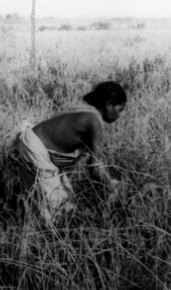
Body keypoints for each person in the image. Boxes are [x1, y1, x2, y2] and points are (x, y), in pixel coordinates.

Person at [9, 81, 127, 222]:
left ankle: (37, 231)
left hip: (32, 146)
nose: (119, 116)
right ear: (109, 104)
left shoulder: (83, 110)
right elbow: (95, 169)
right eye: (119, 110)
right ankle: (43, 237)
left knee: (63, 203)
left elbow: (96, 161)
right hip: (35, 150)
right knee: (59, 211)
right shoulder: (93, 121)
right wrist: (112, 185)